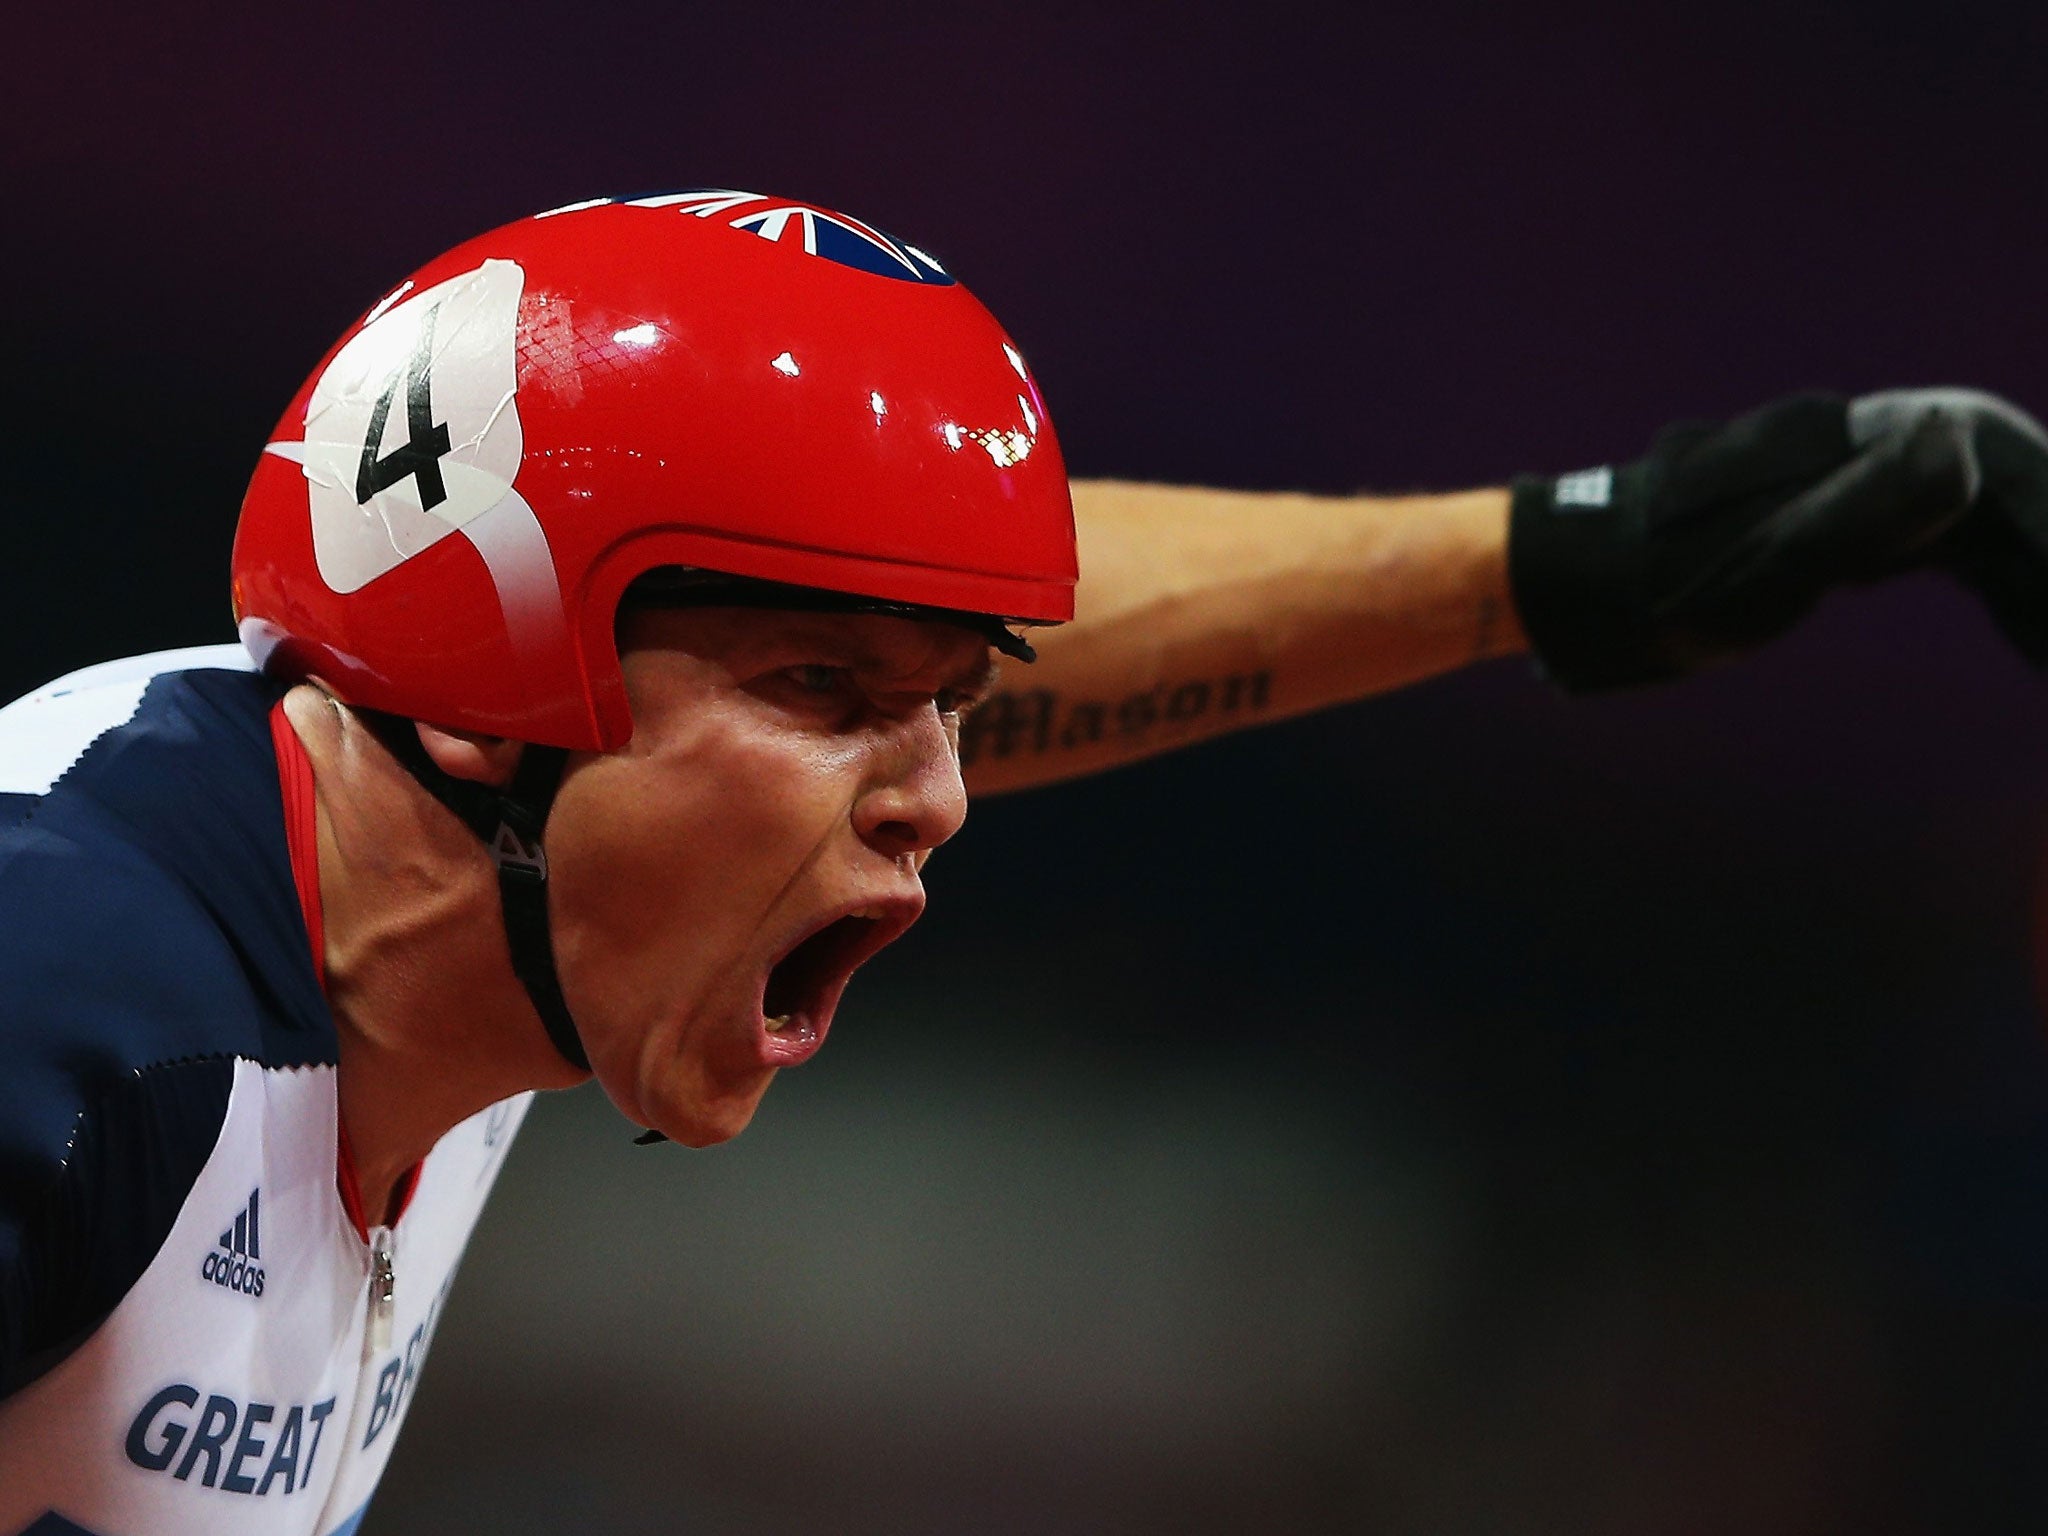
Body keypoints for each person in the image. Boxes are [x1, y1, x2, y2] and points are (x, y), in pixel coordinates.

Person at [1, 188, 2042, 1536]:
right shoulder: (68, 1015)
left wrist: (1568, 560)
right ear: (473, 686)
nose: (939, 795)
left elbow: (931, 632)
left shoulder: (473, 855)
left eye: (953, 706)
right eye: (827, 688)